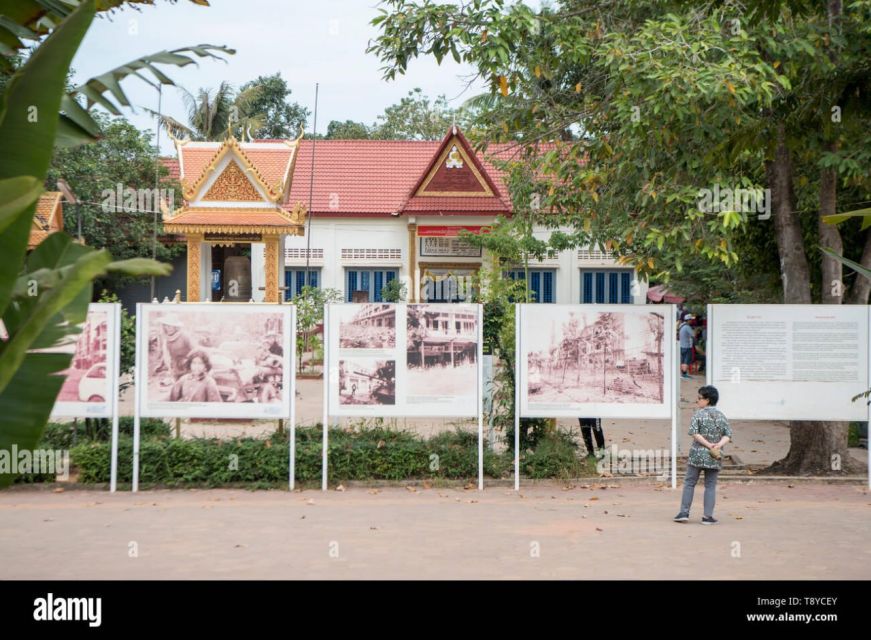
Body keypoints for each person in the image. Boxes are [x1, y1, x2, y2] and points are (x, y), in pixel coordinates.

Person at [674, 385, 732, 525]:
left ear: (707, 400)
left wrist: (707, 444)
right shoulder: (721, 416)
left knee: (689, 483)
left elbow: (695, 433)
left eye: (699, 398)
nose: (697, 401)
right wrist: (717, 445)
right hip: (714, 456)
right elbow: (728, 435)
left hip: (697, 454)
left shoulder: (698, 415)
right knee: (710, 486)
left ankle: (684, 512)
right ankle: (707, 517)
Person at [678, 313, 695, 379]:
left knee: (683, 360)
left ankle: (682, 373)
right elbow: (693, 335)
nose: (691, 321)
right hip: (687, 346)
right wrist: (696, 330)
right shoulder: (687, 327)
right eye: (691, 320)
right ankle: (684, 374)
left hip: (681, 346)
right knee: (686, 361)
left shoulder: (681, 325)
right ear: (688, 320)